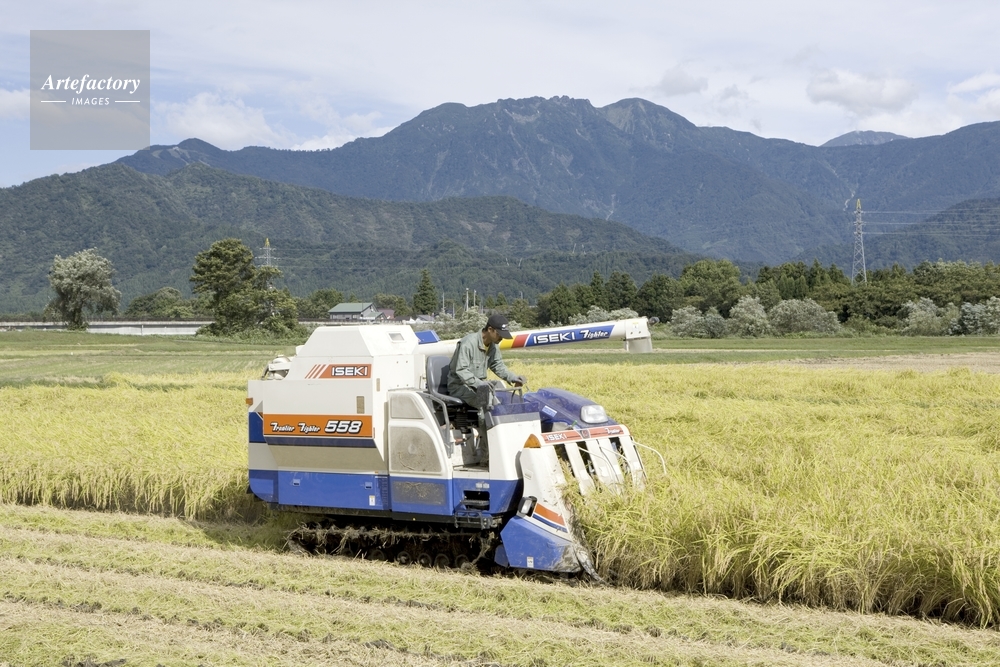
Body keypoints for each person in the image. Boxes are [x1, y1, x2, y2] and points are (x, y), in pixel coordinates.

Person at [447, 313, 527, 409]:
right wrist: (480, 384)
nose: (502, 338)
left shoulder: (493, 345)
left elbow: (497, 365)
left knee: (503, 400)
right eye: (499, 334)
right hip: (459, 386)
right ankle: (486, 419)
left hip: (479, 386)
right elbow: (461, 370)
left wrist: (513, 377)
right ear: (490, 329)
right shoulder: (468, 344)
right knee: (487, 402)